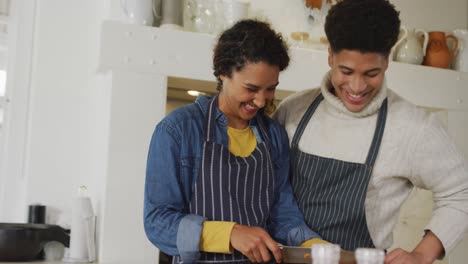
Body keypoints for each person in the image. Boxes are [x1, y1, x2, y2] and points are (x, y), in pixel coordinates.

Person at [273, 0, 468, 263]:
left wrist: (422, 254)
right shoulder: (293, 110)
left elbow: (461, 193)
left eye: (371, 73)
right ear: (330, 55)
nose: (357, 86)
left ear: (388, 60)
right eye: (346, 71)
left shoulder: (414, 127)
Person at [144, 19, 325, 264]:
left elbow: (283, 215)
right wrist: (231, 233)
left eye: (270, 89)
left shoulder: (273, 135)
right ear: (223, 73)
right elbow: (158, 221)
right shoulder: (178, 131)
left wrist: (319, 248)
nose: (261, 101)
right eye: (251, 88)